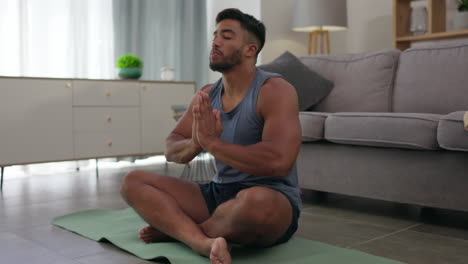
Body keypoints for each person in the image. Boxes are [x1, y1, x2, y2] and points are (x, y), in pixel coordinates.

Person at [120, 8, 301, 264]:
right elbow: (171, 148)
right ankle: (201, 241)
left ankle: (181, 231)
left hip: (270, 196)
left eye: (227, 36)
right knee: (133, 181)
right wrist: (197, 142)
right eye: (215, 35)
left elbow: (279, 162)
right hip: (217, 193)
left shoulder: (275, 90)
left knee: (255, 202)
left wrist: (212, 143)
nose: (215, 42)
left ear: (250, 50)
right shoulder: (207, 94)